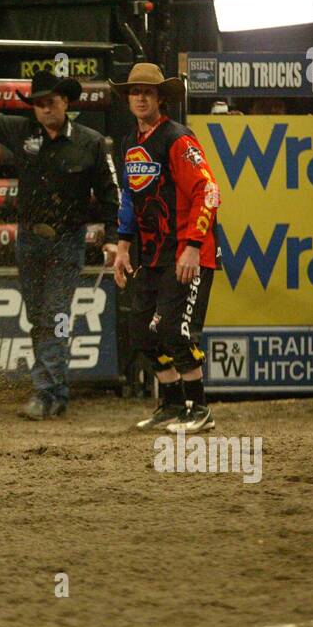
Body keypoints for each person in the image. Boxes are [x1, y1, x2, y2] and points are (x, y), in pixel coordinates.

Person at [0, 72, 121, 420]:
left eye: (50, 102)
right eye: (38, 104)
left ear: (65, 103)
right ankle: (56, 391)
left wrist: (113, 239)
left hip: (66, 241)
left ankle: (45, 391)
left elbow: (110, 194)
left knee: (52, 314)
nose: (44, 109)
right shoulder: (24, 133)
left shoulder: (91, 143)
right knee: (40, 316)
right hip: (30, 240)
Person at [110, 63, 221, 433]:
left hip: (187, 253)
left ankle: (200, 409)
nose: (140, 97)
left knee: (177, 331)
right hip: (152, 255)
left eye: (147, 91)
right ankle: (173, 404)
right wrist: (123, 247)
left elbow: (208, 192)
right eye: (134, 91)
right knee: (141, 331)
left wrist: (192, 246)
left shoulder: (177, 139)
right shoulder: (130, 143)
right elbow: (130, 197)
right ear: (128, 98)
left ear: (160, 98)